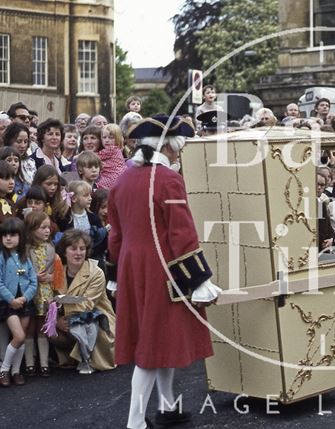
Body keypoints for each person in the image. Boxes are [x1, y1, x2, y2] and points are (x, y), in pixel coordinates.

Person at [108, 115, 220, 428]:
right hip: (163, 268)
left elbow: (115, 235)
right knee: (151, 347)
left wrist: (118, 272)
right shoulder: (168, 179)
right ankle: (135, 421)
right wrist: (199, 279)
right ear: (167, 147)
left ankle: (168, 405)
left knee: (160, 340)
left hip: (133, 265)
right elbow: (181, 234)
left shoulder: (122, 179)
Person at [50, 230, 115, 374]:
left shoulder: (96, 272)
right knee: (49, 330)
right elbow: (51, 302)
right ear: (64, 251)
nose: (78, 253)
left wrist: (65, 314)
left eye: (82, 248)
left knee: (83, 327)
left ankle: (87, 360)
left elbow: (87, 304)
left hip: (96, 319)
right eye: (73, 249)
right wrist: (56, 320)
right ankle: (72, 359)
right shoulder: (58, 272)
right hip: (68, 320)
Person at [0, 217, 37, 387]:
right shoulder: (1, 257)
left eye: (13, 235)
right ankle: (4, 370)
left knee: (21, 339)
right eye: (5, 235)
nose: (8, 238)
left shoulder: (25, 257)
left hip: (24, 303)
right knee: (19, 336)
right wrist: (11, 299)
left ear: (21, 237)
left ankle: (16, 371)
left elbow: (33, 281)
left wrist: (25, 298)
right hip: (8, 304)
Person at [24, 211, 58, 378]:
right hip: (30, 293)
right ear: (31, 230)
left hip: (45, 292)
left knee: (43, 327)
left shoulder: (51, 248)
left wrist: (51, 277)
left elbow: (55, 272)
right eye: (42, 227)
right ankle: (30, 363)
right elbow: (19, 271)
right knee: (29, 327)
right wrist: (32, 276)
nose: (47, 231)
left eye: (48, 227)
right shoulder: (25, 249)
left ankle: (44, 363)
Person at [97, 124, 127, 190]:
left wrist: (82, 155)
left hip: (111, 178)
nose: (107, 140)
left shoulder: (112, 149)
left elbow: (94, 157)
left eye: (111, 138)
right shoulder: (118, 150)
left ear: (118, 138)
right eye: (104, 137)